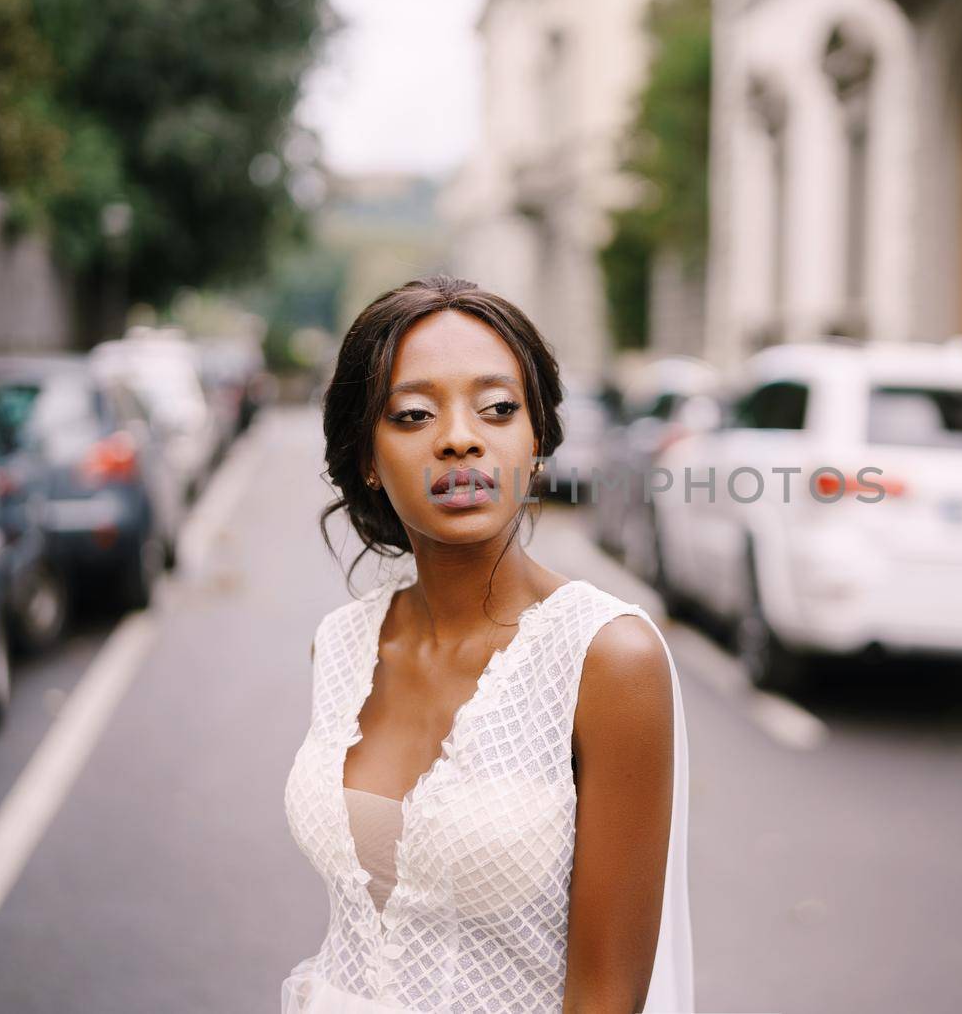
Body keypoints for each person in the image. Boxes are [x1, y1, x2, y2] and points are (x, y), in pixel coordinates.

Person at [282, 276, 695, 1013]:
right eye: (412, 414)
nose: (459, 436)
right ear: (368, 459)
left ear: (536, 441)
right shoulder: (340, 645)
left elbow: (607, 994)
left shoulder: (606, 658)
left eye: (498, 408)